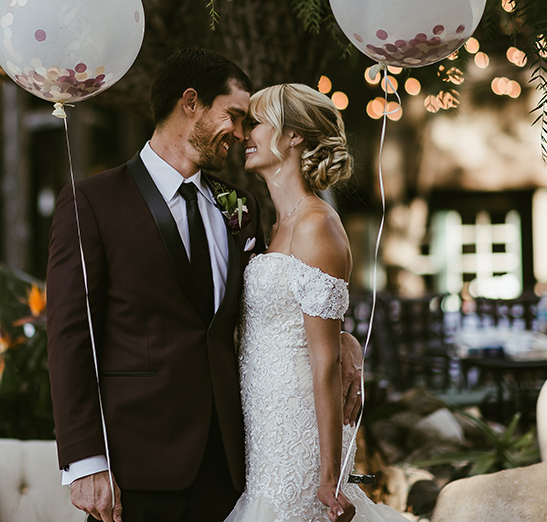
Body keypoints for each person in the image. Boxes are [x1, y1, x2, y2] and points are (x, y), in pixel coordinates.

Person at [46, 49, 364, 522]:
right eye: (234, 116)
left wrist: (342, 337)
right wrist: (87, 462)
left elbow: (284, 301)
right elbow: (70, 337)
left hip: (233, 467)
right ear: (190, 102)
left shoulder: (244, 209)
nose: (239, 135)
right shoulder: (93, 202)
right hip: (137, 466)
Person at [224, 83, 409, 522]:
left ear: (294, 136)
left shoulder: (317, 226)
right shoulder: (274, 226)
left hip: (300, 426)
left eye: (257, 123)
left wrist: (330, 475)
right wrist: (347, 336)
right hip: (266, 425)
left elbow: (324, 363)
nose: (244, 135)